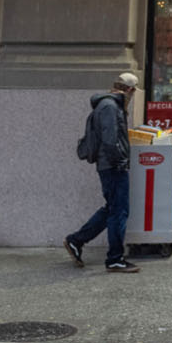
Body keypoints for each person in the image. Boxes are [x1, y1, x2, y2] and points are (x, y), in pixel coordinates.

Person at [65, 72, 140, 273]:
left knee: (112, 209)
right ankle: (115, 258)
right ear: (130, 90)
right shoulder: (110, 107)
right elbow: (110, 140)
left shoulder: (110, 104)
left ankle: (76, 240)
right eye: (134, 92)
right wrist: (120, 161)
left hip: (111, 165)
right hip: (113, 166)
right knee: (119, 211)